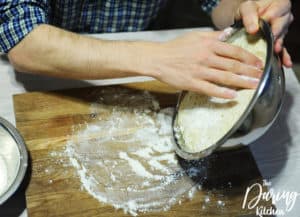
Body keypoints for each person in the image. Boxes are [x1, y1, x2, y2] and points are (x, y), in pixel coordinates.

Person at [0, 0, 293, 98]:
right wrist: (160, 57)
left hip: (149, 76)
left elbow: (219, 6)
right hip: (45, 79)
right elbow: (25, 41)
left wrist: (251, 9)